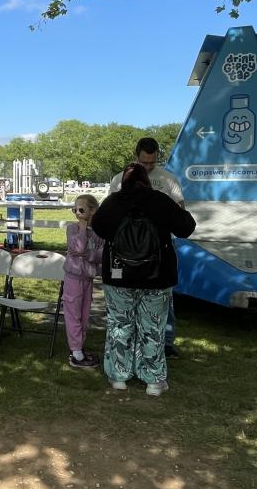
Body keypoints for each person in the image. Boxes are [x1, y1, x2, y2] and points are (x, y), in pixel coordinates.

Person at [92, 163, 196, 395]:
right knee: (153, 328)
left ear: (123, 182)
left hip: (118, 275)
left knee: (120, 325)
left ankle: (118, 376)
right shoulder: (160, 200)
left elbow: (97, 226)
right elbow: (187, 228)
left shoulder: (113, 202)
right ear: (146, 181)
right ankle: (153, 380)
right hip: (157, 277)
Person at [109, 137, 185, 356]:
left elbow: (181, 211)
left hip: (160, 248)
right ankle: (130, 339)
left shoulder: (168, 180)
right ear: (136, 157)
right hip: (127, 248)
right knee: (128, 294)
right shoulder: (119, 180)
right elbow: (110, 212)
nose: (148, 167)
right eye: (144, 163)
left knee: (164, 294)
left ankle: (167, 341)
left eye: (152, 163)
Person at [63, 194, 103, 369]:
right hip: (73, 278)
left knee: (84, 315)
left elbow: (101, 254)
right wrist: (82, 227)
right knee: (73, 314)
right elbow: (77, 247)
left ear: (93, 210)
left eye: (81, 210)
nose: (77, 213)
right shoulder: (72, 228)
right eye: (75, 210)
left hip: (88, 279)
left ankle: (79, 347)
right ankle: (76, 350)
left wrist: (88, 254)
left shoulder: (98, 233)